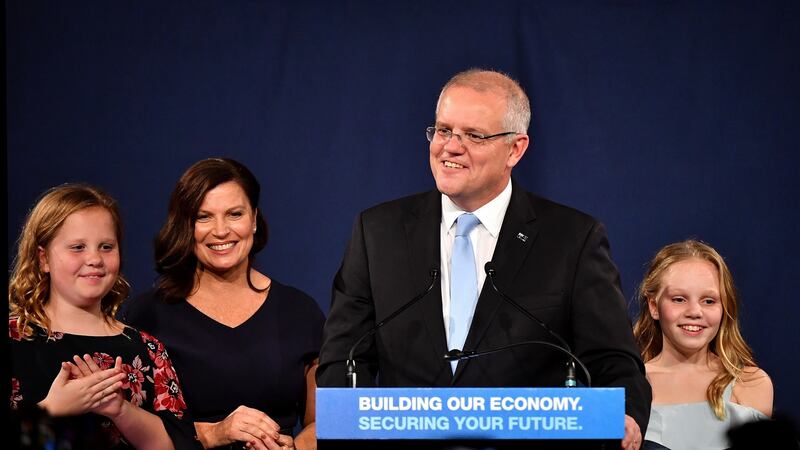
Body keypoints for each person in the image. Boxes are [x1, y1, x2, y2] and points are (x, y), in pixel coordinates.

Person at [316, 68, 651, 450]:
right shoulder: (377, 232)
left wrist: (625, 416)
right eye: (443, 130)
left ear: (516, 149)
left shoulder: (572, 238)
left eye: (474, 135)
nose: (450, 147)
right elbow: (343, 360)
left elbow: (613, 361)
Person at [118, 158, 324, 450]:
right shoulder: (146, 315)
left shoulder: (300, 311)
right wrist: (216, 432)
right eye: (203, 217)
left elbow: (324, 423)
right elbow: (126, 427)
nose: (221, 230)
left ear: (254, 219)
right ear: (186, 226)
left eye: (234, 214)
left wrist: (293, 447)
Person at [9, 183, 197, 449]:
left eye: (106, 246)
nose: (95, 258)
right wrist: (52, 409)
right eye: (77, 247)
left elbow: (178, 444)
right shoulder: (16, 340)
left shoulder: (147, 349)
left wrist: (120, 409)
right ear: (44, 259)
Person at [632, 239, 773, 450]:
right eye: (679, 299)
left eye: (709, 301)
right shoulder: (630, 388)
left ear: (724, 307)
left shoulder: (751, 384)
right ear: (654, 306)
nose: (695, 312)